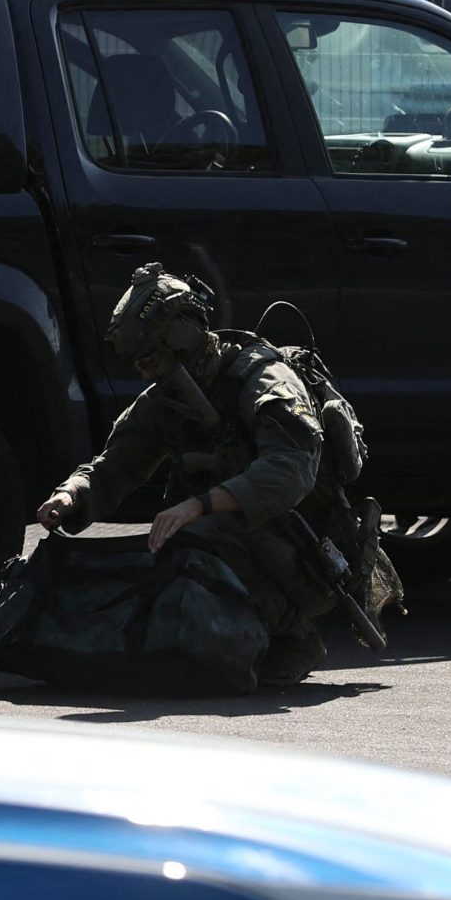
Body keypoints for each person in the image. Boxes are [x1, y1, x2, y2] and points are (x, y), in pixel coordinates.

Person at [34, 265, 334, 683]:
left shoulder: (262, 378)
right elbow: (115, 464)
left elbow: (291, 469)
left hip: (304, 538)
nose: (143, 372)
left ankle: (292, 635)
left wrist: (200, 505)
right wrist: (71, 495)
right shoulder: (167, 399)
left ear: (180, 336)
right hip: (233, 526)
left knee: (195, 536)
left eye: (150, 358)